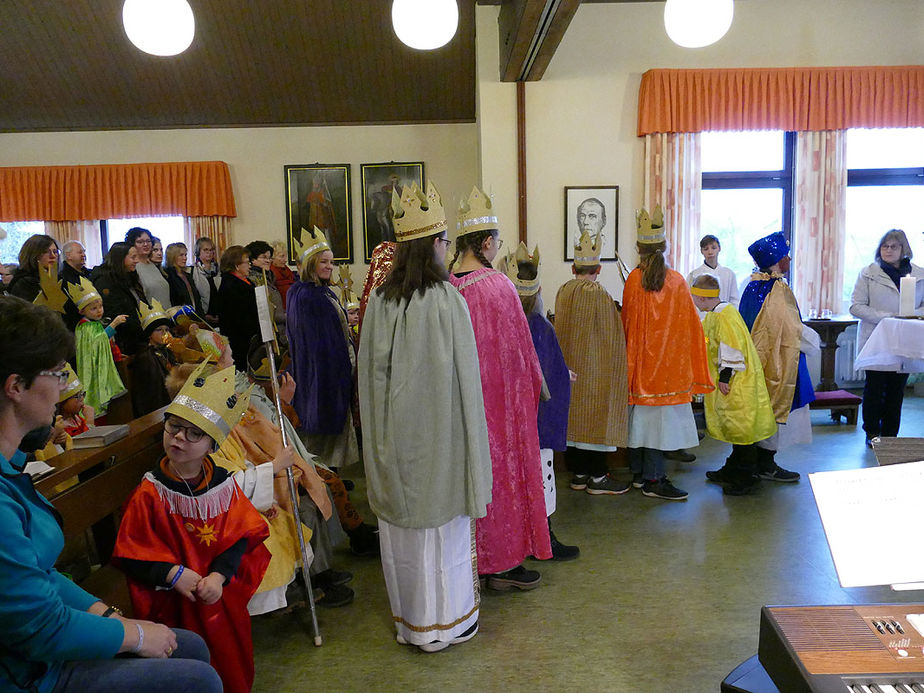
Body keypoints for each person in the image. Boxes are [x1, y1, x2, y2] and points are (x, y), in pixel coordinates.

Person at [0, 295, 221, 693]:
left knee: (188, 647)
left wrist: (109, 615)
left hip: (39, 646)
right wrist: (133, 635)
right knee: (197, 678)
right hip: (27, 672)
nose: (65, 386)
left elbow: (42, 574)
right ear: (15, 386)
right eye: (56, 373)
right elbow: (38, 629)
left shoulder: (10, 464)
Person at [359, 180, 491, 652]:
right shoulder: (448, 300)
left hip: (393, 444)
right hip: (441, 445)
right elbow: (467, 388)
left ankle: (412, 624)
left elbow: (369, 381)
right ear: (434, 245)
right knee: (442, 540)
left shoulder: (379, 300)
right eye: (445, 241)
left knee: (406, 544)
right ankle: (448, 624)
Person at [112, 361, 272, 693]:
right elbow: (129, 553)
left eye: (194, 433)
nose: (179, 438)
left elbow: (240, 537)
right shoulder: (150, 493)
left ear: (213, 445)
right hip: (173, 603)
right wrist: (173, 575)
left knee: (230, 661)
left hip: (217, 598)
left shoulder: (225, 486)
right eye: (174, 427)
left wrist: (219, 576)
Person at [449, 185, 552, 589]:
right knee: (501, 482)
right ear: (488, 242)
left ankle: (469, 562)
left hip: (460, 407)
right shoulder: (498, 286)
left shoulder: (446, 287)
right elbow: (522, 354)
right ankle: (503, 563)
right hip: (499, 409)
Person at [621, 206, 713, 501]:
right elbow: (690, 327)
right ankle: (654, 479)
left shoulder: (634, 280)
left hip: (641, 367)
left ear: (638, 248)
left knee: (640, 422)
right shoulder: (676, 281)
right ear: (664, 245)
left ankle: (639, 474)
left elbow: (627, 326)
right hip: (669, 369)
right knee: (660, 427)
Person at [504, 244, 579, 560]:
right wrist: (562, 376)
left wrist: (561, 372)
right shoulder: (539, 326)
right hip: (535, 420)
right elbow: (546, 375)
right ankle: (544, 539)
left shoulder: (504, 323)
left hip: (509, 420)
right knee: (540, 477)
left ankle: (519, 540)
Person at [554, 229, 630, 496]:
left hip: (568, 366)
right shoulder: (597, 293)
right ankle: (598, 477)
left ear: (573, 268)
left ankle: (579, 474)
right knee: (596, 420)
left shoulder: (564, 290)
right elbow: (610, 333)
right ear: (597, 269)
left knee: (576, 421)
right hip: (594, 367)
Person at [738, 231, 818, 480]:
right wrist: (813, 342)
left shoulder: (752, 285)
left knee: (761, 410)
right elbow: (789, 329)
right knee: (775, 408)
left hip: (756, 360)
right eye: (786, 256)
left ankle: (757, 462)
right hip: (780, 362)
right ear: (776, 260)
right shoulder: (776, 289)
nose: (790, 260)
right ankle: (766, 464)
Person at [691, 274, 777, 495]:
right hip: (733, 378)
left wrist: (725, 377)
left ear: (702, 298)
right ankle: (732, 468)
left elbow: (730, 348)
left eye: (694, 297)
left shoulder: (723, 317)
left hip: (736, 381)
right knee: (735, 427)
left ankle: (747, 476)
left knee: (741, 429)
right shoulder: (719, 312)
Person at [286, 226, 358, 471]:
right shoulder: (310, 297)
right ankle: (324, 475)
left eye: (331, 262)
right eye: (324, 262)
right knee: (322, 429)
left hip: (319, 372)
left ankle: (327, 474)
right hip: (323, 373)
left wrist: (343, 320)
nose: (330, 267)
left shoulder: (313, 292)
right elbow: (320, 341)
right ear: (310, 264)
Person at [849, 229, 924, 444]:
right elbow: (856, 306)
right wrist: (888, 317)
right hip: (877, 339)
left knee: (896, 391)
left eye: (894, 246)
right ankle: (872, 433)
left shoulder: (919, 274)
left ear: (904, 250)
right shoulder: (868, 273)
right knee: (874, 389)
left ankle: (891, 434)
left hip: (905, 340)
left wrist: (911, 315)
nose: (888, 250)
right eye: (885, 246)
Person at [66, 276, 127, 416]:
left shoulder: (94, 324)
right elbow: (98, 342)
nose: (99, 311)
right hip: (91, 370)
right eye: (93, 308)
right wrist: (114, 324)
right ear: (82, 311)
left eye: (100, 306)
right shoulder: (85, 327)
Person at [90, 242, 148, 356]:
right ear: (120, 258)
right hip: (121, 341)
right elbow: (114, 312)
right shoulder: (105, 281)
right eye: (133, 257)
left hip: (133, 338)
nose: (137, 261)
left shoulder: (126, 277)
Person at [129, 300, 177, 417]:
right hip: (157, 409)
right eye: (159, 330)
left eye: (166, 330)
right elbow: (150, 393)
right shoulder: (145, 357)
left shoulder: (168, 350)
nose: (164, 333)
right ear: (150, 334)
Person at [216, 244, 260, 370]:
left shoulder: (246, 281)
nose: (250, 265)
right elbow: (239, 317)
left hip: (251, 336)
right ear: (236, 265)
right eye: (246, 262)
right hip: (240, 339)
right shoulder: (230, 286)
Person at [246, 240, 286, 341]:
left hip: (279, 331)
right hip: (266, 335)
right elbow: (264, 311)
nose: (268, 261)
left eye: (269, 258)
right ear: (252, 260)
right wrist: (290, 317)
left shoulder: (269, 278)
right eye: (264, 257)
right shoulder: (254, 281)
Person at [687, 234, 740, 308]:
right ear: (701, 251)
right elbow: (689, 301)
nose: (710, 252)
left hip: (725, 316)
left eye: (713, 248)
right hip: (701, 317)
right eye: (706, 249)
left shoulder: (729, 274)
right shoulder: (694, 275)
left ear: (719, 248)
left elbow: (735, 301)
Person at [127, 228, 171, 310]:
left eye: (148, 241)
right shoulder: (133, 267)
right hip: (151, 318)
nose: (145, 244)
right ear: (132, 244)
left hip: (167, 316)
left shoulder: (153, 265)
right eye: (140, 242)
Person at [8, 234, 59, 302]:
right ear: (33, 254)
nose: (53, 256)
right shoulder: (24, 284)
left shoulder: (58, 279)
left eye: (55, 252)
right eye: (45, 252)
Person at [164, 243, 203, 314]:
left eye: (185, 255)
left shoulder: (187, 275)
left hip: (195, 316)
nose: (185, 258)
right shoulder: (168, 276)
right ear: (172, 257)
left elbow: (196, 299)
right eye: (181, 255)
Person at [61, 241, 92, 330]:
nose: (83, 255)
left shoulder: (89, 273)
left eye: (84, 252)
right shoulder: (63, 278)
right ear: (68, 255)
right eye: (80, 252)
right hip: (76, 325)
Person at [191, 237, 221, 324]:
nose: (209, 253)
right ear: (198, 252)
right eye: (206, 250)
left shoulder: (218, 269)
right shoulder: (193, 271)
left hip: (219, 315)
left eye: (211, 250)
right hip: (203, 315)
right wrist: (203, 315)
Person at [270, 240, 296, 307]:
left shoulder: (287, 270)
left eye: (285, 256)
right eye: (282, 256)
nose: (285, 260)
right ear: (272, 258)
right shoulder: (271, 274)